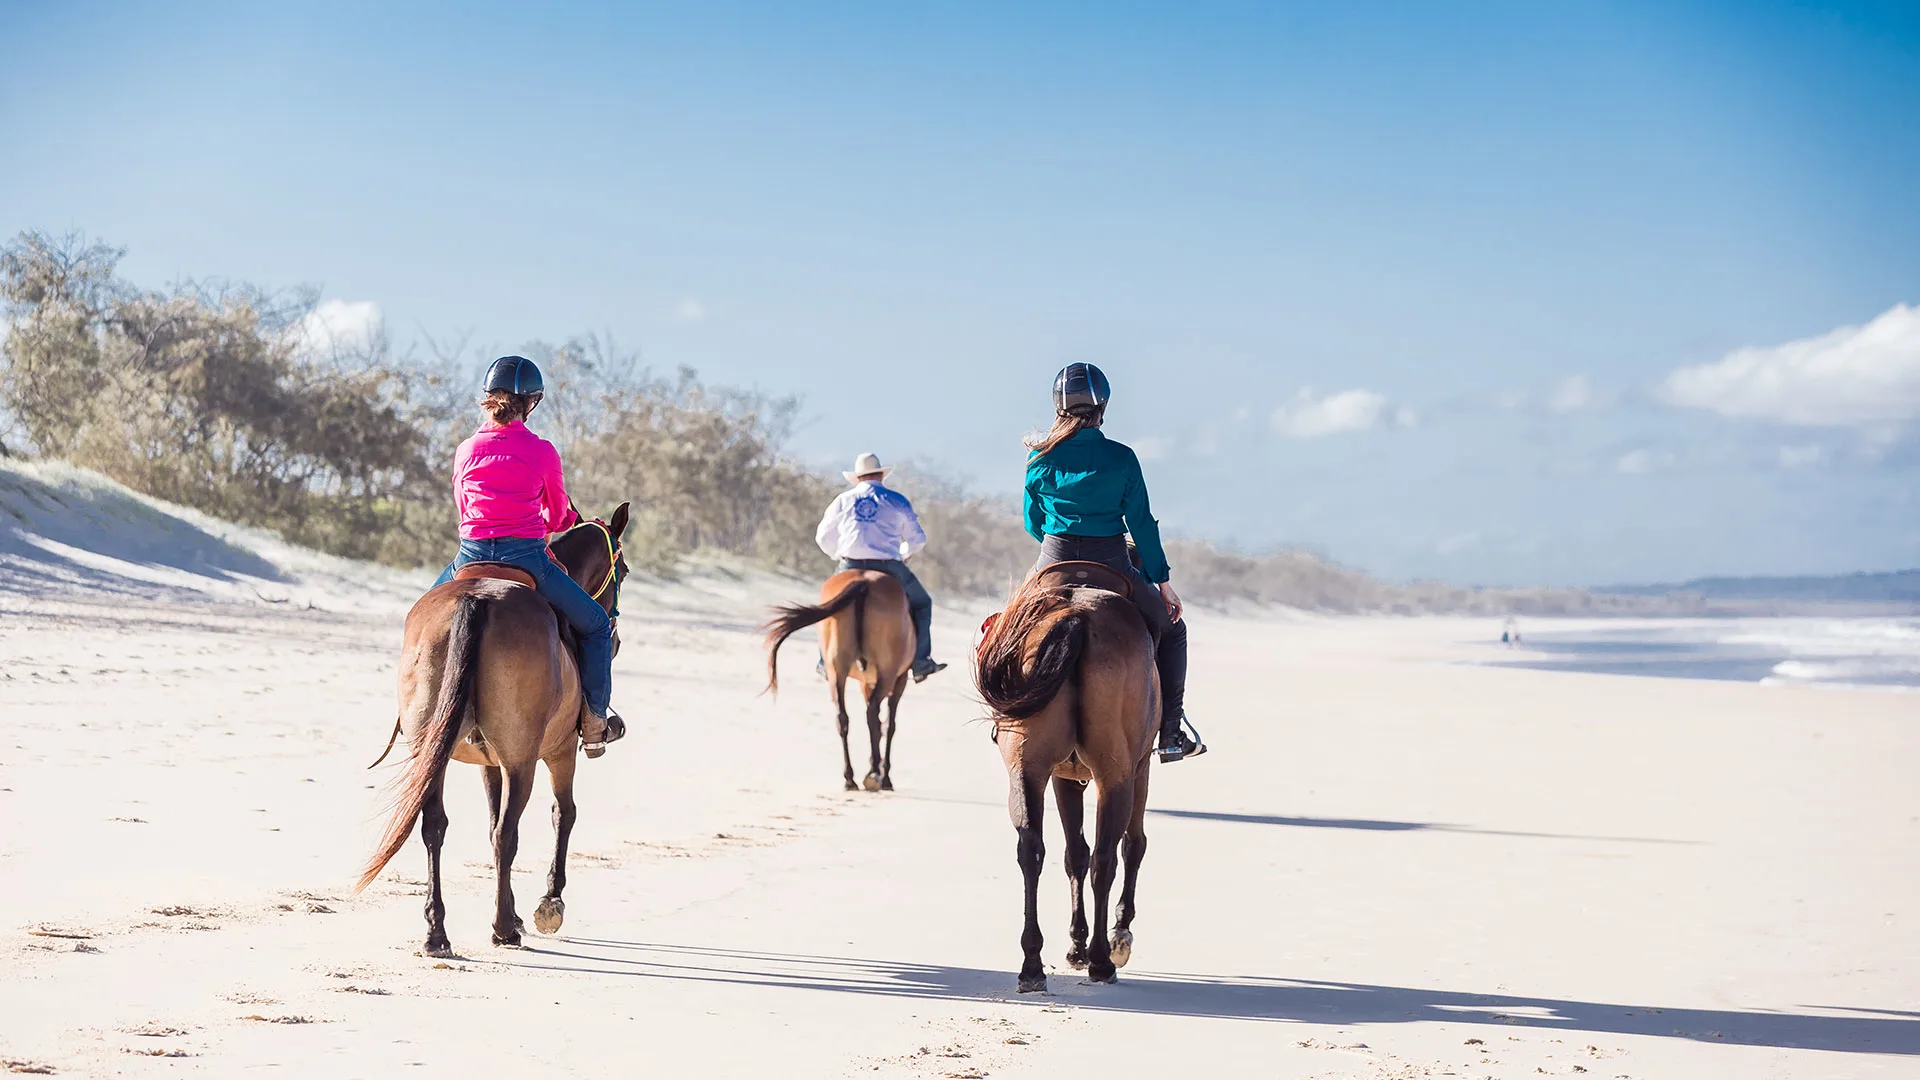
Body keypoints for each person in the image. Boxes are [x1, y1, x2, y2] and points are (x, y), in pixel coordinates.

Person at [431, 355, 625, 758]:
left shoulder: (466, 449)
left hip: (470, 556)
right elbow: (556, 516)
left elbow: (463, 507)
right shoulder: (542, 451)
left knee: (421, 618)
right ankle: (593, 723)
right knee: (593, 625)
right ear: (531, 403)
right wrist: (569, 517)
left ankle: (413, 714)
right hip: (528, 559)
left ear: (488, 399)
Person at [1024, 363, 1204, 762]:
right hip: (1110, 559)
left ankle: (1007, 714)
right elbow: (1140, 522)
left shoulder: (1039, 458)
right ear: (1103, 405)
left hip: (1052, 562)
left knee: (1005, 628)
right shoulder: (1122, 458)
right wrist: (1162, 582)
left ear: (1058, 406)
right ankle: (1171, 732)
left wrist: (1058, 545)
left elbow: (1032, 522)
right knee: (1173, 631)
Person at [814, 452, 947, 682]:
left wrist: (838, 555)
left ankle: (824, 661)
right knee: (923, 604)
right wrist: (904, 554)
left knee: (828, 605)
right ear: (881, 476)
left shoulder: (842, 500)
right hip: (889, 567)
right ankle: (921, 662)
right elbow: (918, 539)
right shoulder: (896, 500)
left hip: (849, 564)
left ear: (857, 477)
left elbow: (822, 537)